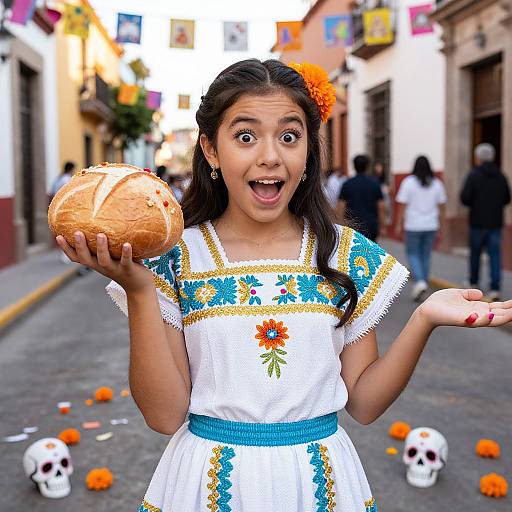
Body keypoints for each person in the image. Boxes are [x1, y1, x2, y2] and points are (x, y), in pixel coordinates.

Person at [55, 59, 512, 512]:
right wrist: (139, 292)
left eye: (289, 136)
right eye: (246, 136)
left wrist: (425, 317)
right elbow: (164, 415)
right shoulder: (175, 258)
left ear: (309, 149)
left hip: (319, 486)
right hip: (207, 486)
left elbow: (366, 404)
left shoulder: (343, 255)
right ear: (211, 150)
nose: (270, 155)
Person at [460, 143, 511, 301]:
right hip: (495, 223)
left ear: (478, 158)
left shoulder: (473, 175)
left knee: (475, 254)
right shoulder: (501, 175)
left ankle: (474, 282)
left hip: (477, 223)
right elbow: (507, 198)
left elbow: (465, 198)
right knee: (495, 255)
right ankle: (495, 288)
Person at [395, 156, 447, 301]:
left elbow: (402, 205)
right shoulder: (437, 184)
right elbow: (442, 207)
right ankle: (422, 282)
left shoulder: (408, 183)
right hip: (431, 225)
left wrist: (399, 224)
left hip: (413, 225)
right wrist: (441, 226)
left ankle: (420, 282)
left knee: (412, 253)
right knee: (425, 255)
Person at [338, 154, 386, 241]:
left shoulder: (347, 184)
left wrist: (341, 225)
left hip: (353, 224)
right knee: (370, 251)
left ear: (354, 166)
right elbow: (381, 207)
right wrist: (382, 226)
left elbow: (341, 206)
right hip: (371, 225)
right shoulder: (375, 183)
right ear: (367, 166)